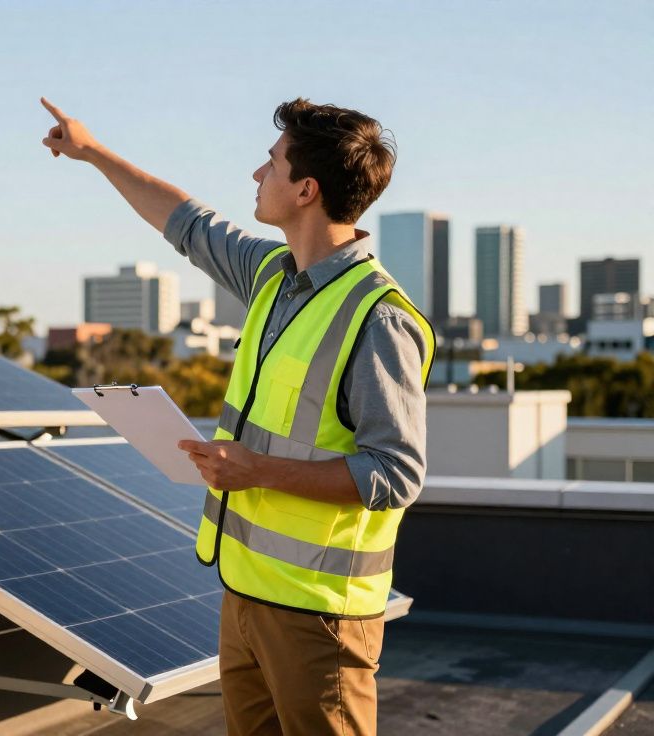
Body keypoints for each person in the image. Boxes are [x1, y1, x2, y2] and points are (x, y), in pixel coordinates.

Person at [39, 96, 434, 736]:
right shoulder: (274, 276)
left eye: (271, 163)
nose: (257, 175)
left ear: (305, 190)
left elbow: (395, 475)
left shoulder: (379, 318)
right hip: (245, 593)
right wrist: (92, 153)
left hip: (320, 616)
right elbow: (186, 222)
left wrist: (256, 470)